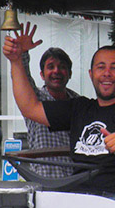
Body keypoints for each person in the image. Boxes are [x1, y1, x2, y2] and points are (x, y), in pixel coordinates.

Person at [4, 33, 115, 208]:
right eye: (101, 67)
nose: (107, 73)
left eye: (114, 68)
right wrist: (16, 61)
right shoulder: (79, 107)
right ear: (91, 74)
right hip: (78, 200)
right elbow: (30, 108)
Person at [13, 23, 80, 179]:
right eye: (51, 67)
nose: (56, 71)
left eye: (62, 67)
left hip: (75, 181)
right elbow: (23, 78)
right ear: (42, 74)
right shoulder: (34, 99)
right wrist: (21, 53)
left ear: (69, 73)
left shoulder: (78, 102)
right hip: (44, 183)